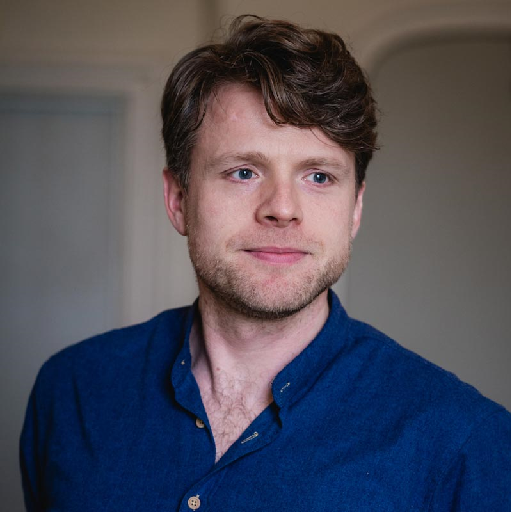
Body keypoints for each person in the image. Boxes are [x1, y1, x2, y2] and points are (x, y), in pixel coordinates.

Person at [20, 15, 511, 511]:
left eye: (318, 177)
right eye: (243, 172)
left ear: (355, 208)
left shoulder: (464, 442)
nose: (282, 208)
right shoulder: (74, 392)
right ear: (178, 200)